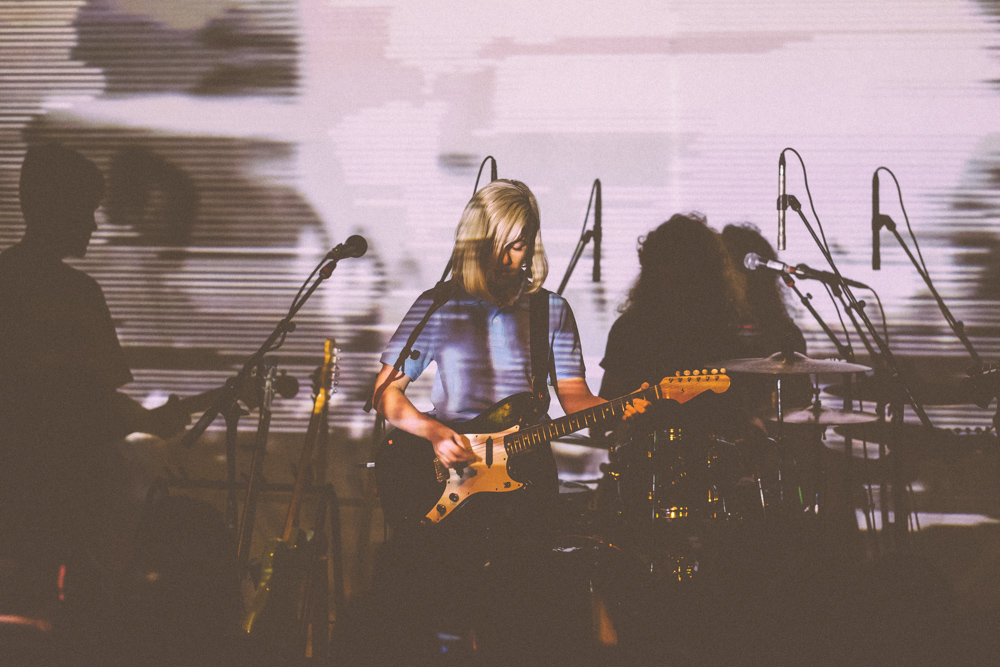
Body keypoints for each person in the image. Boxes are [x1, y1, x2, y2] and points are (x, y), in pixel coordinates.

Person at [350, 179, 648, 664]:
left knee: (521, 614)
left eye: (521, 243)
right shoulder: (439, 305)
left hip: (527, 479)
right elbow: (386, 394)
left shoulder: (550, 310)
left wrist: (619, 405)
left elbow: (574, 398)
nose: (512, 257)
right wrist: (433, 431)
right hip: (454, 476)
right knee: (447, 609)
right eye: (501, 244)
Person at [0, 143, 189, 650]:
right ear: (56, 209)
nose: (93, 225)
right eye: (85, 211)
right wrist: (152, 421)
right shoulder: (80, 295)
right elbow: (90, 398)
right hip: (63, 499)